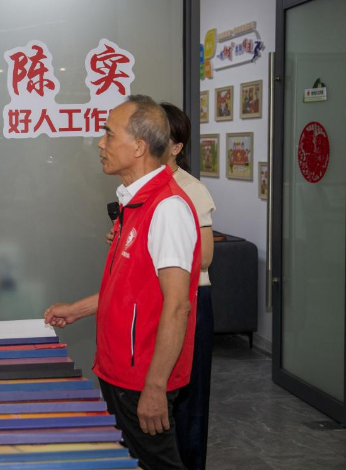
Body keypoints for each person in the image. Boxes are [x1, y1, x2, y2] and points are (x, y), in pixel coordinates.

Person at [45, 95, 201, 470]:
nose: (100, 143)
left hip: (143, 376)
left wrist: (155, 387)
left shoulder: (167, 208)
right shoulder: (135, 203)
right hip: (119, 369)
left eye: (109, 134)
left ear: (139, 146)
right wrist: (78, 310)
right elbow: (130, 289)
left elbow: (177, 305)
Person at [163, 103, 216, 470]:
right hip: (160, 296)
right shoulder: (141, 186)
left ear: (176, 146)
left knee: (189, 397)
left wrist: (153, 254)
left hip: (192, 297)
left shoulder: (190, 189)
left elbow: (205, 256)